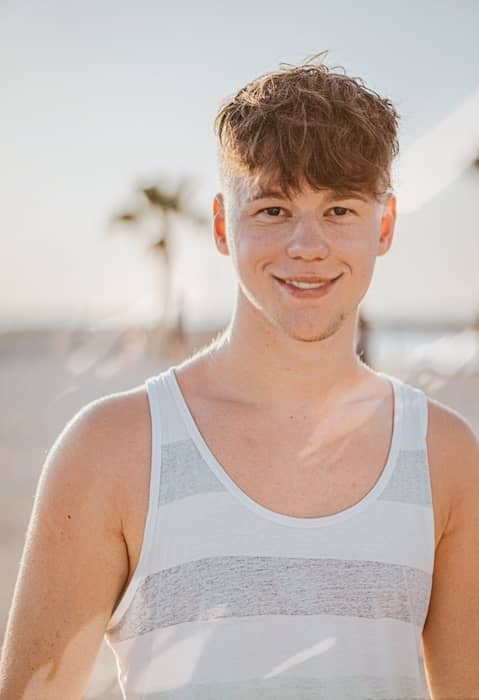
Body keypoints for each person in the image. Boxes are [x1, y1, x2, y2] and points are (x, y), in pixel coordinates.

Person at [1, 55, 478, 700]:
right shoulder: (112, 450)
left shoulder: (445, 457)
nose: (307, 245)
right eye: (274, 210)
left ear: (384, 225)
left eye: (339, 210)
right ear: (224, 226)